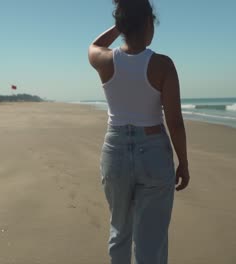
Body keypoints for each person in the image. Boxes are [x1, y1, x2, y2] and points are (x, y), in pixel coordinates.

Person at [88, 0, 190, 263]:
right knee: (150, 241)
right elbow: (175, 122)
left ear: (123, 25)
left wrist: (119, 25)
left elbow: (94, 46)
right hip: (153, 151)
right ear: (148, 23)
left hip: (115, 151)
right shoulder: (163, 65)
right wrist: (183, 161)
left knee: (119, 230)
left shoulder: (105, 60)